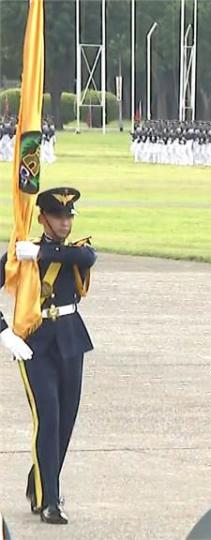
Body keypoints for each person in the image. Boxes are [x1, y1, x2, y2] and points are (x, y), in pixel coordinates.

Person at [0, 187, 96, 525]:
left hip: (70, 339)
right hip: (35, 344)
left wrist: (41, 253)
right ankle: (50, 500)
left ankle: (38, 479)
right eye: (58, 217)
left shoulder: (69, 251)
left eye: (69, 216)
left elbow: (87, 259)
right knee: (49, 417)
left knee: (66, 421)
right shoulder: (20, 252)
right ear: (42, 218)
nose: (65, 223)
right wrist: (3, 333)